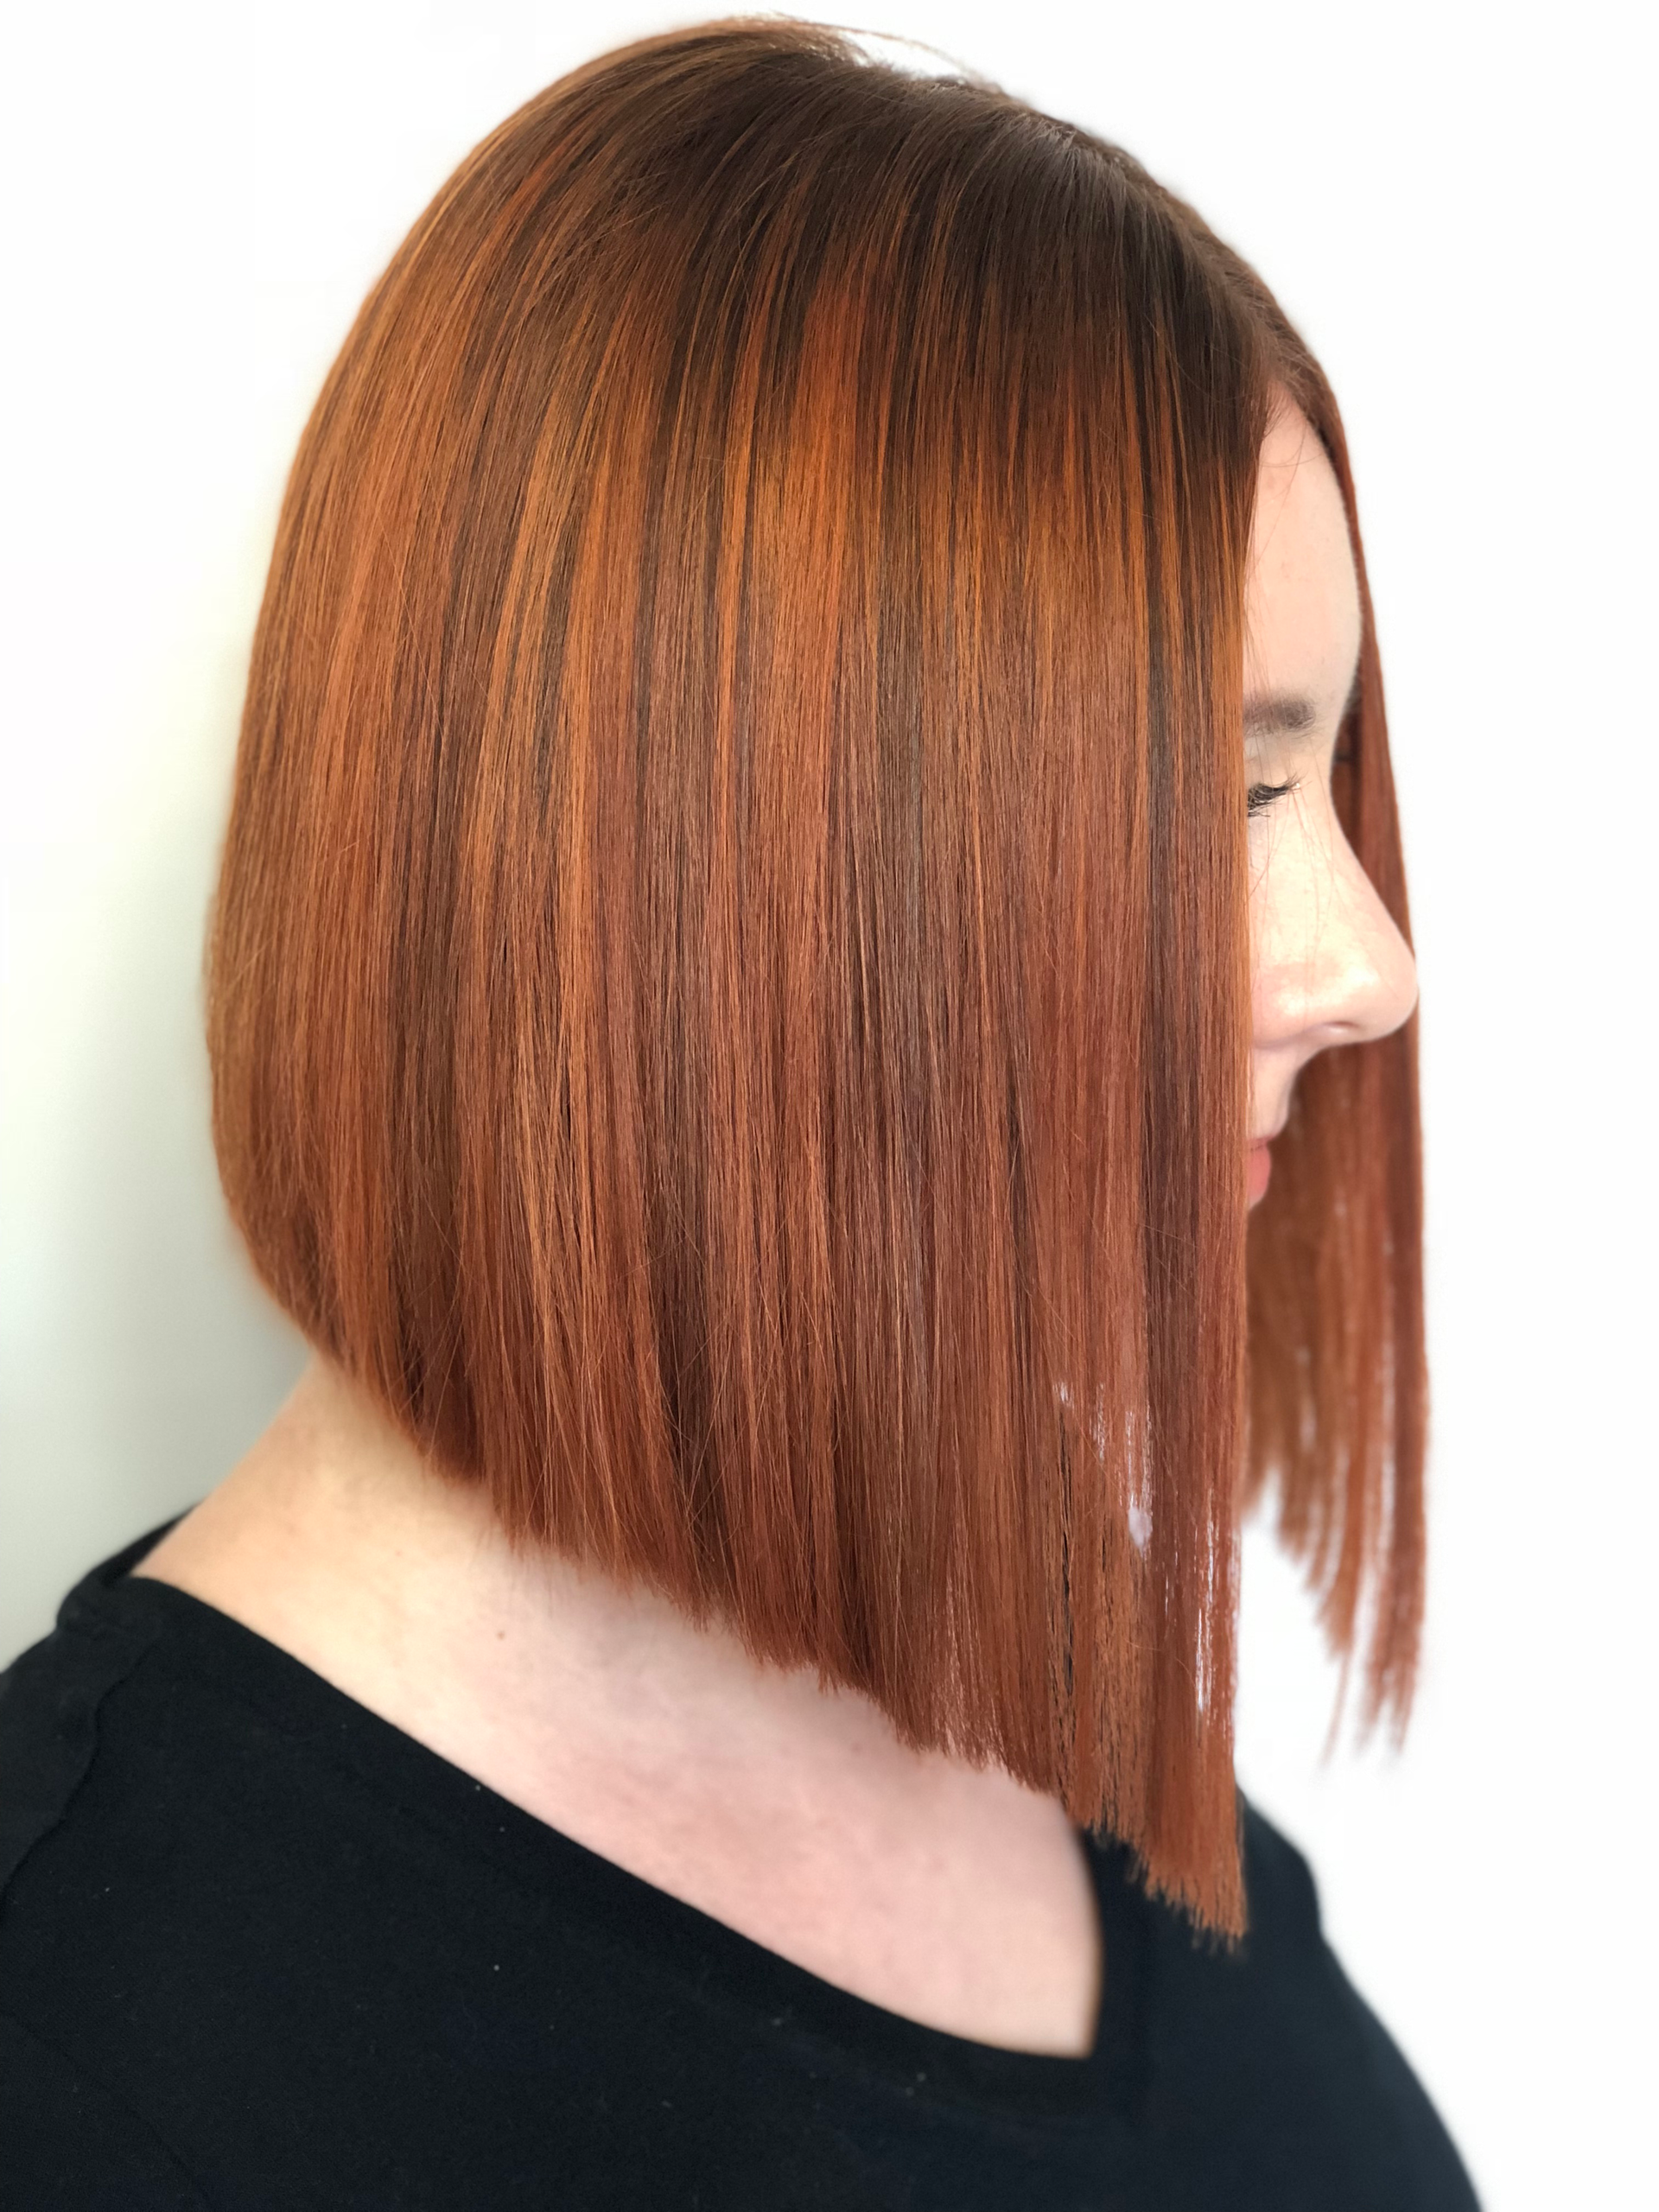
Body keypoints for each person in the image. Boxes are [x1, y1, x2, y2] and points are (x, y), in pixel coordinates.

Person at [0, 19, 1478, 2207]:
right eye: (1222, 790)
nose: (1371, 965)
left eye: (1321, 777)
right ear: (705, 853)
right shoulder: (90, 2046)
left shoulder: (1016, 1656)